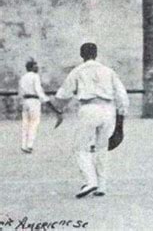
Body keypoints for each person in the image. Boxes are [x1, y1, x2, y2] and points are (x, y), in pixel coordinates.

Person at [54, 43, 129, 198]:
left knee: (80, 148)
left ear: (82, 55)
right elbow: (122, 95)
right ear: (96, 54)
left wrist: (59, 110)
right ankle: (102, 186)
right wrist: (120, 119)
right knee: (102, 148)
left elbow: (63, 95)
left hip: (88, 109)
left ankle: (90, 181)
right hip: (108, 110)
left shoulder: (77, 71)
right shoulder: (108, 71)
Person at [18, 59, 62, 153]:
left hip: (25, 101)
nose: (37, 67)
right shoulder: (35, 76)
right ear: (30, 67)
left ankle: (23, 144)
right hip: (34, 101)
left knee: (25, 123)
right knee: (34, 122)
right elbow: (39, 92)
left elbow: (20, 92)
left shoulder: (23, 77)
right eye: (35, 66)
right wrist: (50, 104)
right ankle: (29, 145)